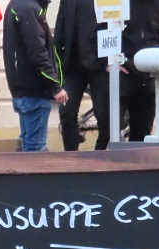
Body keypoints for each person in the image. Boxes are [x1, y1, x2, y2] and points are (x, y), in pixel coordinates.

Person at [3, 0, 68, 151]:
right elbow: (38, 54)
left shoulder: (18, 5)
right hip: (34, 91)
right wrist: (55, 87)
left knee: (27, 144)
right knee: (35, 149)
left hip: (23, 89)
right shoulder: (30, 9)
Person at [120, 0, 159, 143]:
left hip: (149, 79)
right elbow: (101, 32)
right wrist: (108, 63)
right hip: (121, 75)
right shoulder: (118, 4)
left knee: (142, 135)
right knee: (110, 132)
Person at [54, 0, 110, 151]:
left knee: (105, 116)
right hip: (72, 67)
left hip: (101, 66)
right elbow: (60, 27)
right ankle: (71, 157)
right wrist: (57, 61)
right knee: (66, 113)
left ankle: (100, 156)